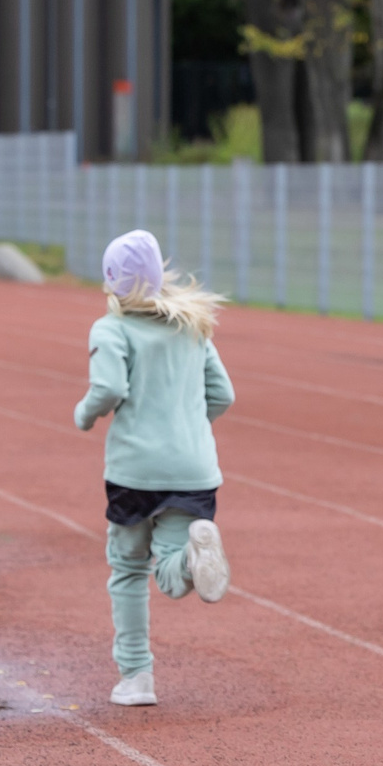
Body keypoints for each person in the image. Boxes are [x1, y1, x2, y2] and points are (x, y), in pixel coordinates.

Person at [73, 229, 235, 707]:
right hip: (194, 468)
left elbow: (107, 390)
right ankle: (189, 559)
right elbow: (223, 395)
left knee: (126, 570)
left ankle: (137, 678)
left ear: (111, 283)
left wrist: (83, 415)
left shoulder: (111, 328)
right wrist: (189, 425)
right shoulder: (193, 327)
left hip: (135, 469)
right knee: (168, 569)